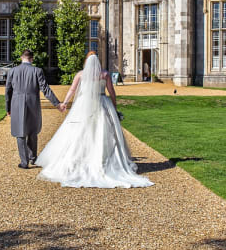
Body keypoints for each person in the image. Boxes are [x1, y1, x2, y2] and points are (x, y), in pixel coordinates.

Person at [36, 52, 152, 188]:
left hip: (83, 103)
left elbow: (72, 90)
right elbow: (112, 92)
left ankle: (80, 160)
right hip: (102, 102)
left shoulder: (80, 75)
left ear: (87, 61)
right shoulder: (105, 75)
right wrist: (114, 107)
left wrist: (65, 103)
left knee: (81, 133)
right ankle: (104, 162)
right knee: (102, 133)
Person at [5, 49, 63, 169]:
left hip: (16, 103)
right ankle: (33, 158)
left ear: (21, 58)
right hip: (32, 103)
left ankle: (24, 162)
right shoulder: (37, 70)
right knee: (32, 131)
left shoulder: (13, 71)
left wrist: (8, 107)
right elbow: (45, 89)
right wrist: (57, 103)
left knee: (20, 133)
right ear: (31, 59)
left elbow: (8, 91)